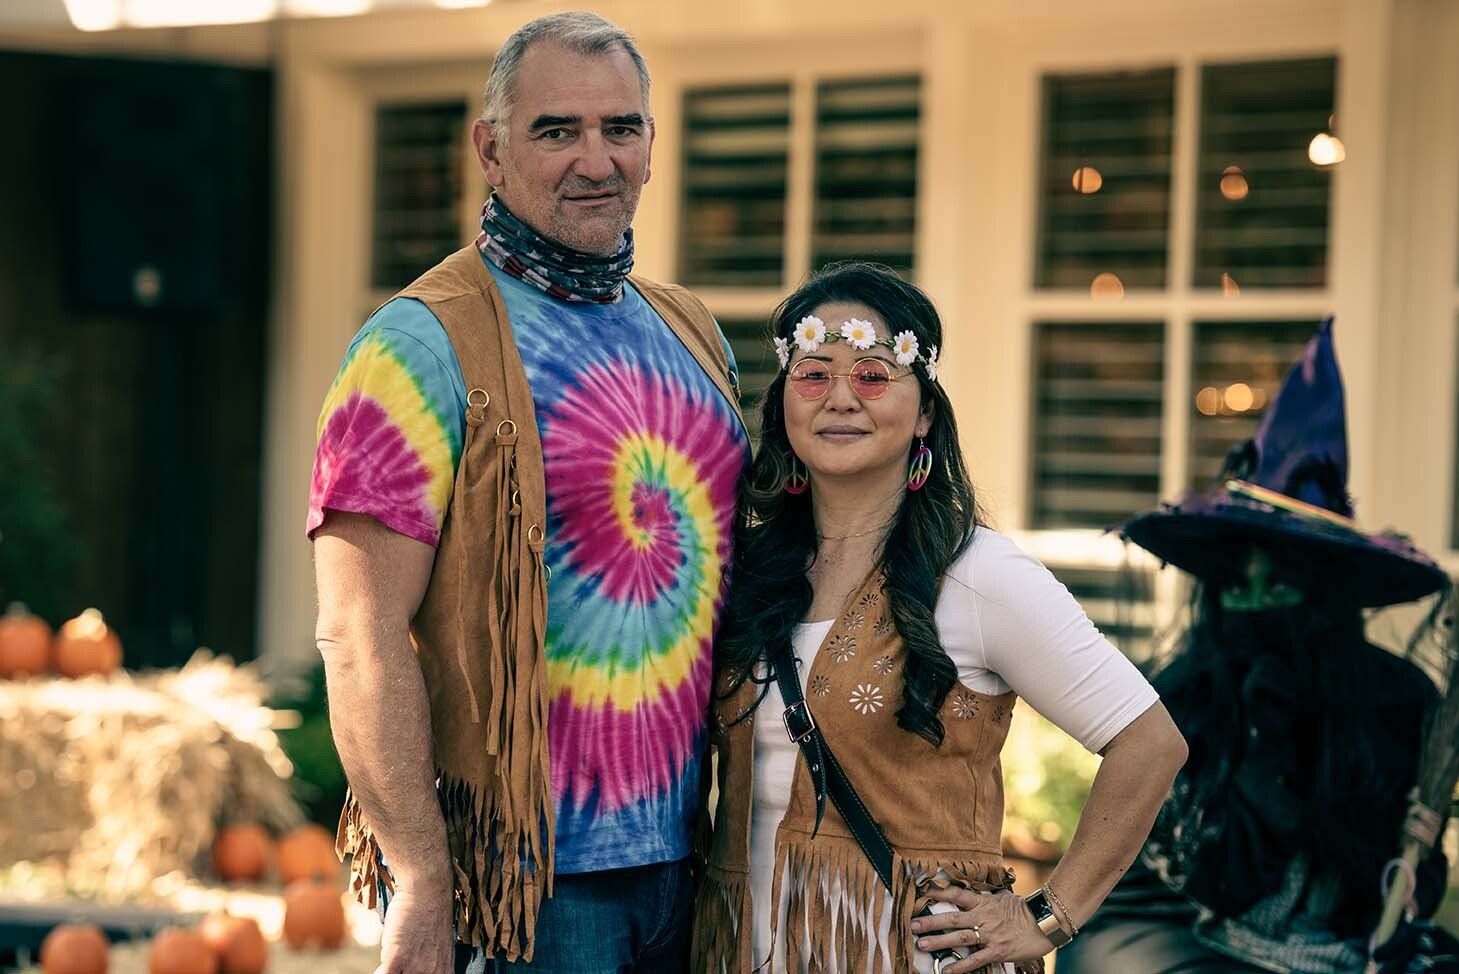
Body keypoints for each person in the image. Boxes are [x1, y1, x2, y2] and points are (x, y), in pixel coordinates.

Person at [308, 13, 747, 974]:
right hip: (527, 889)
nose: (596, 160)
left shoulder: (692, 334)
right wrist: (422, 877)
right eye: (556, 131)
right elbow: (357, 633)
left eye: (620, 129)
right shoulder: (415, 347)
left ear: (650, 148)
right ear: (491, 152)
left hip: (697, 860)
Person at [691, 262, 1188, 974]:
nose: (839, 399)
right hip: (739, 945)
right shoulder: (745, 570)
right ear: (783, 404)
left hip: (910, 955)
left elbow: (1149, 742)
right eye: (812, 375)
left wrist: (1049, 916)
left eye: (871, 374)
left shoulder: (979, 575)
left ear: (923, 410)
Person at [1058, 319, 1452, 974]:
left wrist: (1407, 871)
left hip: (1344, 946)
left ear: (1323, 590)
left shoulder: (1394, 701)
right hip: (1185, 933)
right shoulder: (1185, 699)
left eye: (1282, 582)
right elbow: (1213, 877)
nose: (1257, 597)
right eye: (1240, 581)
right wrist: (1265, 744)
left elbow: (1408, 880)